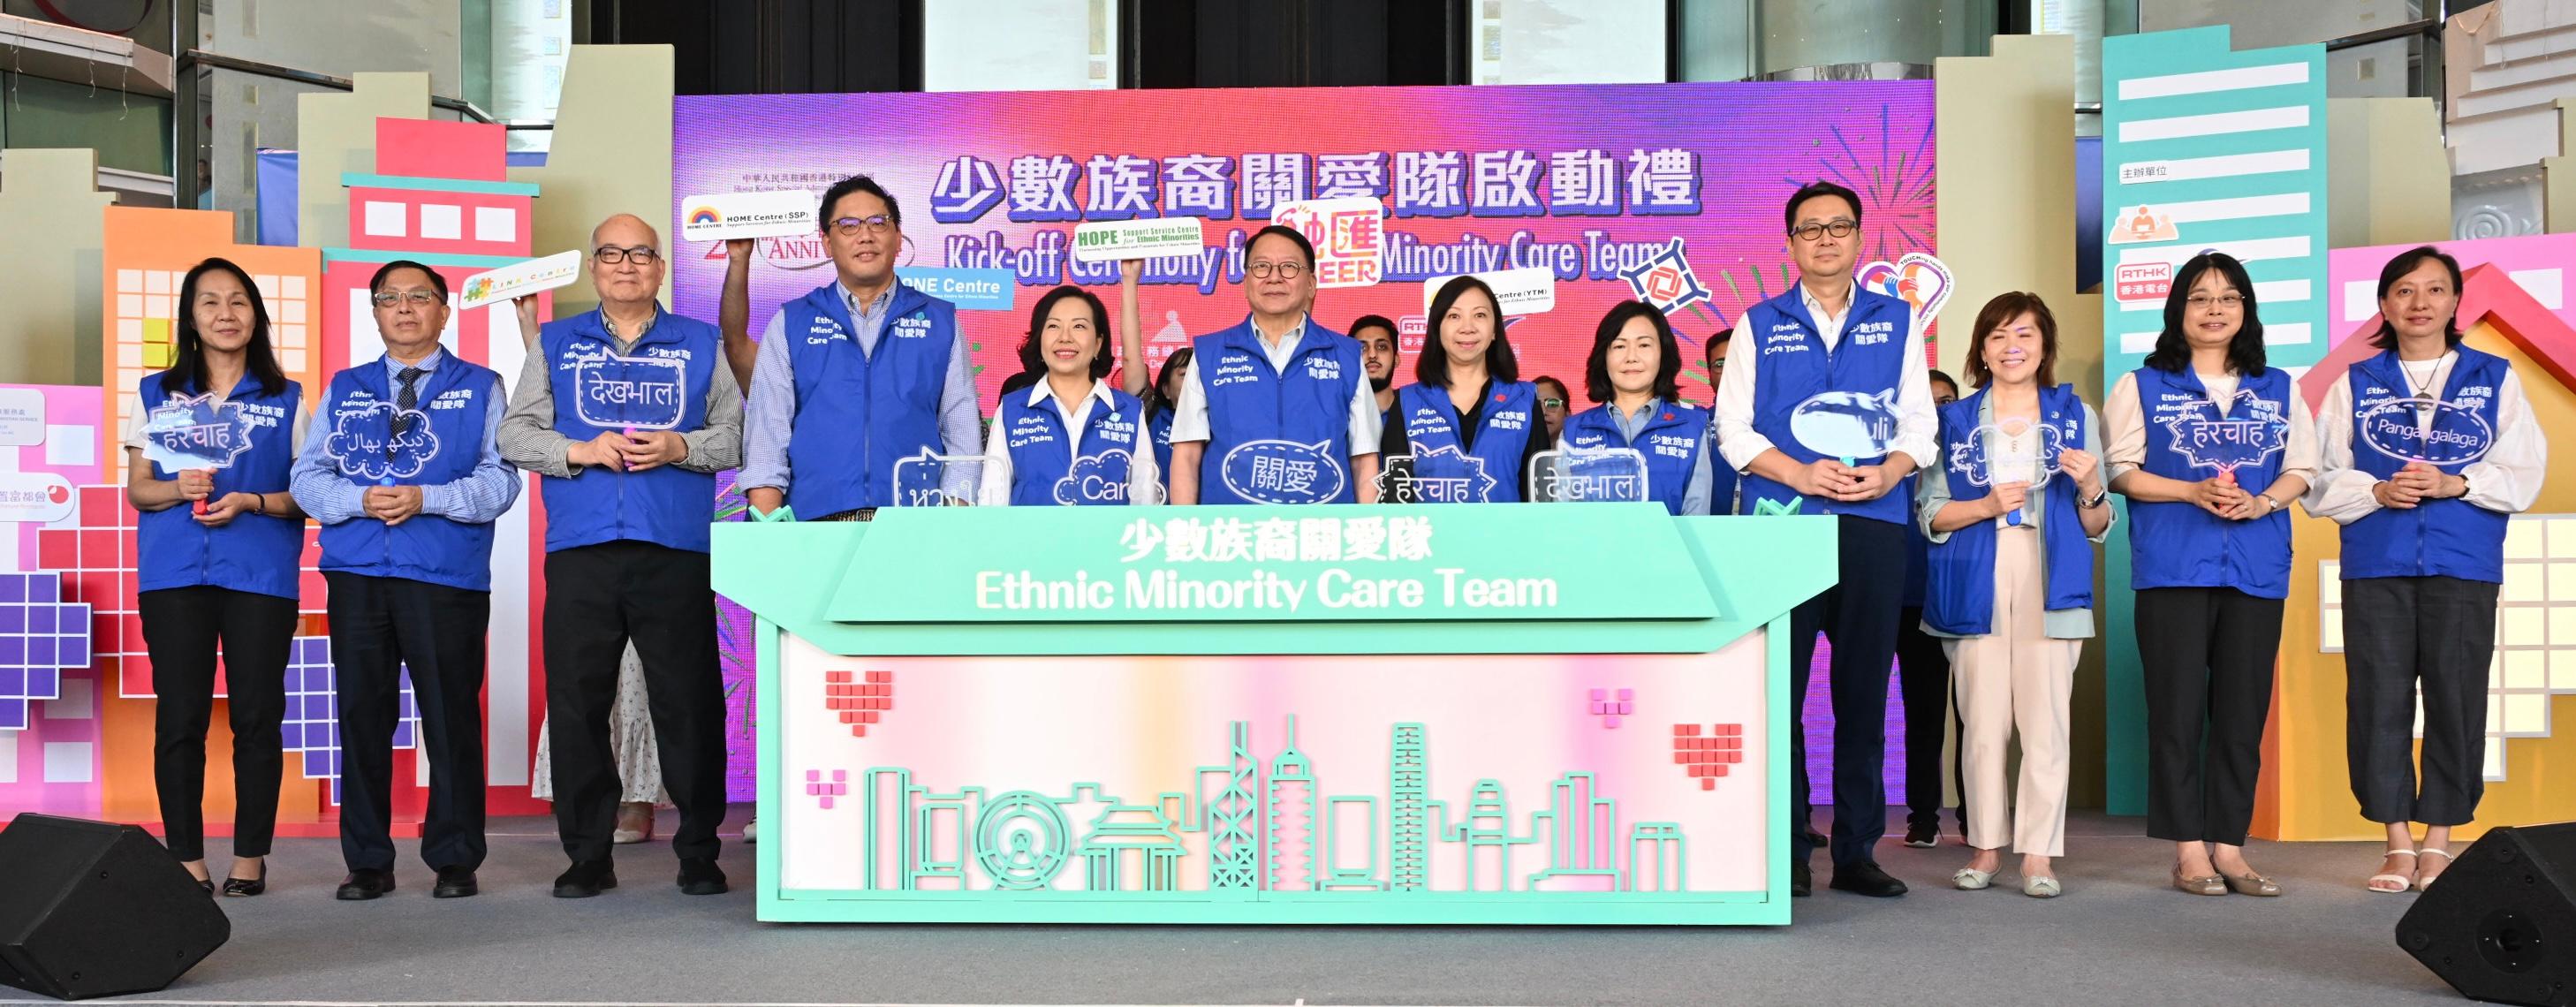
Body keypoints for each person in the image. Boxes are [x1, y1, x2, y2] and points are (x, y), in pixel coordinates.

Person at [499, 214, 741, 897]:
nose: (627, 264)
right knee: (579, 704)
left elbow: (738, 434)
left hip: (675, 548)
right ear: (595, 268)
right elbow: (515, 434)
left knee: (689, 701)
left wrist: (681, 447)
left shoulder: (699, 342)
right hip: (581, 550)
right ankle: (587, 855)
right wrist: (578, 451)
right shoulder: (555, 342)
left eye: (641, 254)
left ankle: (699, 850)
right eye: (611, 253)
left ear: (661, 268)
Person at [1713, 180, 1936, 898]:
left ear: (1860, 238)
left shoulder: (1898, 321)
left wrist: (1889, 473)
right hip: (1784, 527)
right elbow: (1734, 431)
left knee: (1864, 694)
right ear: (1791, 244)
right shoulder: (1758, 323)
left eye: (1840, 226)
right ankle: (1788, 851)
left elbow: (1919, 428)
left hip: (1874, 524)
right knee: (1779, 691)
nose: (1826, 239)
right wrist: (1801, 475)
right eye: (1811, 229)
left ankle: (1857, 852)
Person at [2303, 246, 2548, 893]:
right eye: (2405, 291)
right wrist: (2376, 493)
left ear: (2454, 302)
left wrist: (2457, 482)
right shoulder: (2354, 382)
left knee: (2456, 698)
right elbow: (2318, 477)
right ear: (2384, 304)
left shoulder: (2494, 377)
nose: (2420, 303)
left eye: (2435, 290)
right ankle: (2396, 844)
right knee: (2378, 700)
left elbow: (2523, 472)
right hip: (2375, 565)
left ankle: (2439, 840)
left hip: (2463, 563)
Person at [291, 260, 519, 900]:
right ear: (375, 312)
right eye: (389, 298)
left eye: (420, 297)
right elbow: (307, 478)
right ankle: (367, 861)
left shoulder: (481, 385)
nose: (405, 308)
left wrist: (429, 498)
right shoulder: (347, 385)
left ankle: (454, 858)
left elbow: (502, 479)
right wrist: (361, 501)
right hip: (357, 573)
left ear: (445, 310)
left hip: (446, 578)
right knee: (362, 716)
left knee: (448, 719)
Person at [2105, 251, 2317, 898]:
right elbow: (2120, 470)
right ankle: (2189, 850)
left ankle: (2230, 846)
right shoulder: (2141, 385)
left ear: (2246, 311)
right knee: (2175, 714)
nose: (2215, 309)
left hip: (2255, 569)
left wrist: (2262, 502)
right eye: (2200, 297)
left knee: (2241, 713)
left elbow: (2304, 467)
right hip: (2172, 568)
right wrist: (2190, 492)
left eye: (2229, 298)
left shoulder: (2280, 386)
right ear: (2178, 310)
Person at [125, 257, 309, 897]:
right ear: (191, 318)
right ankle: (185, 858)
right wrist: (176, 487)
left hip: (261, 575)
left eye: (238, 301)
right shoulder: (156, 392)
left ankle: (251, 856)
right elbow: (138, 492)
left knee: (258, 717)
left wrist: (254, 501)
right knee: (180, 717)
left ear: (255, 315)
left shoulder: (288, 398)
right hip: (175, 574)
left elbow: (308, 496)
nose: (225, 314)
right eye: (210, 303)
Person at [1917, 293, 2112, 897]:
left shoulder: (2076, 414)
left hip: (2051, 575)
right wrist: (1982, 505)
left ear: (2044, 347)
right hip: (1976, 570)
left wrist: (2087, 486)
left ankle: (2038, 854)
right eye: (1998, 336)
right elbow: (1930, 513)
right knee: (1981, 721)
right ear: (1981, 349)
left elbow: (2100, 524)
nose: (2012, 347)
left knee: (2046, 719)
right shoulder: (1951, 421)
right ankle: (1985, 847)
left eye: (2025, 335)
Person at [738, 175, 981, 520]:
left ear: (898, 238)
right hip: (813, 522)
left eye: (879, 222)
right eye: (848, 225)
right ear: (826, 242)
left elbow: (962, 432)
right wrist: (768, 530)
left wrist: (952, 524)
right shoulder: (792, 322)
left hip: (913, 523)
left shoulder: (939, 321)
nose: (865, 235)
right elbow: (767, 433)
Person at [1167, 224, 1381, 505]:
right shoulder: (1210, 354)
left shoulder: (1346, 355)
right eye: (1261, 267)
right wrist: (1186, 534)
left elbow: (1364, 460)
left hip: (1323, 534)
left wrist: (1364, 535)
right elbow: (1187, 456)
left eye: (1289, 267)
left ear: (1312, 284)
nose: (1274, 278)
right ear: (1245, 282)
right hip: (1231, 534)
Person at [979, 284, 1158, 506]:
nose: (1065, 337)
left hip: (1107, 541)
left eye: (1079, 326)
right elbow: (992, 498)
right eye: (1053, 326)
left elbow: (1145, 498)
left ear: (1098, 344)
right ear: (1039, 339)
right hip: (1031, 540)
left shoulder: (1128, 411)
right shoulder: (1012, 409)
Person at [1381, 276, 1544, 504]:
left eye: (1479, 315)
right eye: (1454, 316)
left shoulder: (1524, 400)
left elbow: (1539, 496)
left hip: (1506, 537)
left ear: (1495, 329)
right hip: (1429, 537)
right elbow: (1394, 497)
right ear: (1437, 328)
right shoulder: (1407, 402)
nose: (1467, 328)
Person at [1557, 300, 1712, 515]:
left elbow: (1697, 514)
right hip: (1595, 549)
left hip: (1669, 548)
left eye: (1644, 345)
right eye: (1619, 346)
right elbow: (1565, 516)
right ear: (1604, 357)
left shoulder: (1692, 427)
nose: (1631, 357)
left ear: (1663, 354)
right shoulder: (1575, 430)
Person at [1898, 368, 1966, 849]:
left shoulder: (1973, 465)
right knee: (1922, 717)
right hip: (1910, 605)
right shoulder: (1893, 467)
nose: (1940, 412)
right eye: (1931, 403)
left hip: (1965, 602)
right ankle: (1923, 816)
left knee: (1974, 718)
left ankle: (1976, 817)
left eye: (1948, 402)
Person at [1143, 348, 1193, 497]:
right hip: (1156, 517)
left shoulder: (1223, 425)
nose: (1194, 380)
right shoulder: (1150, 413)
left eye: (1200, 374)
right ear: (1166, 389)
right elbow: (1131, 360)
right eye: (1184, 374)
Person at [1353, 314, 1402, 420]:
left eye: (1381, 347)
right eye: (1362, 348)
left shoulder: (1415, 413)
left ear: (1396, 359)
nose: (1372, 355)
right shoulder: (1337, 417)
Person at [1532, 375, 1572, 443]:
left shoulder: (1582, 452)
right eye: (1535, 405)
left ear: (1568, 414)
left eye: (1552, 404)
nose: (1543, 412)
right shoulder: (1512, 452)